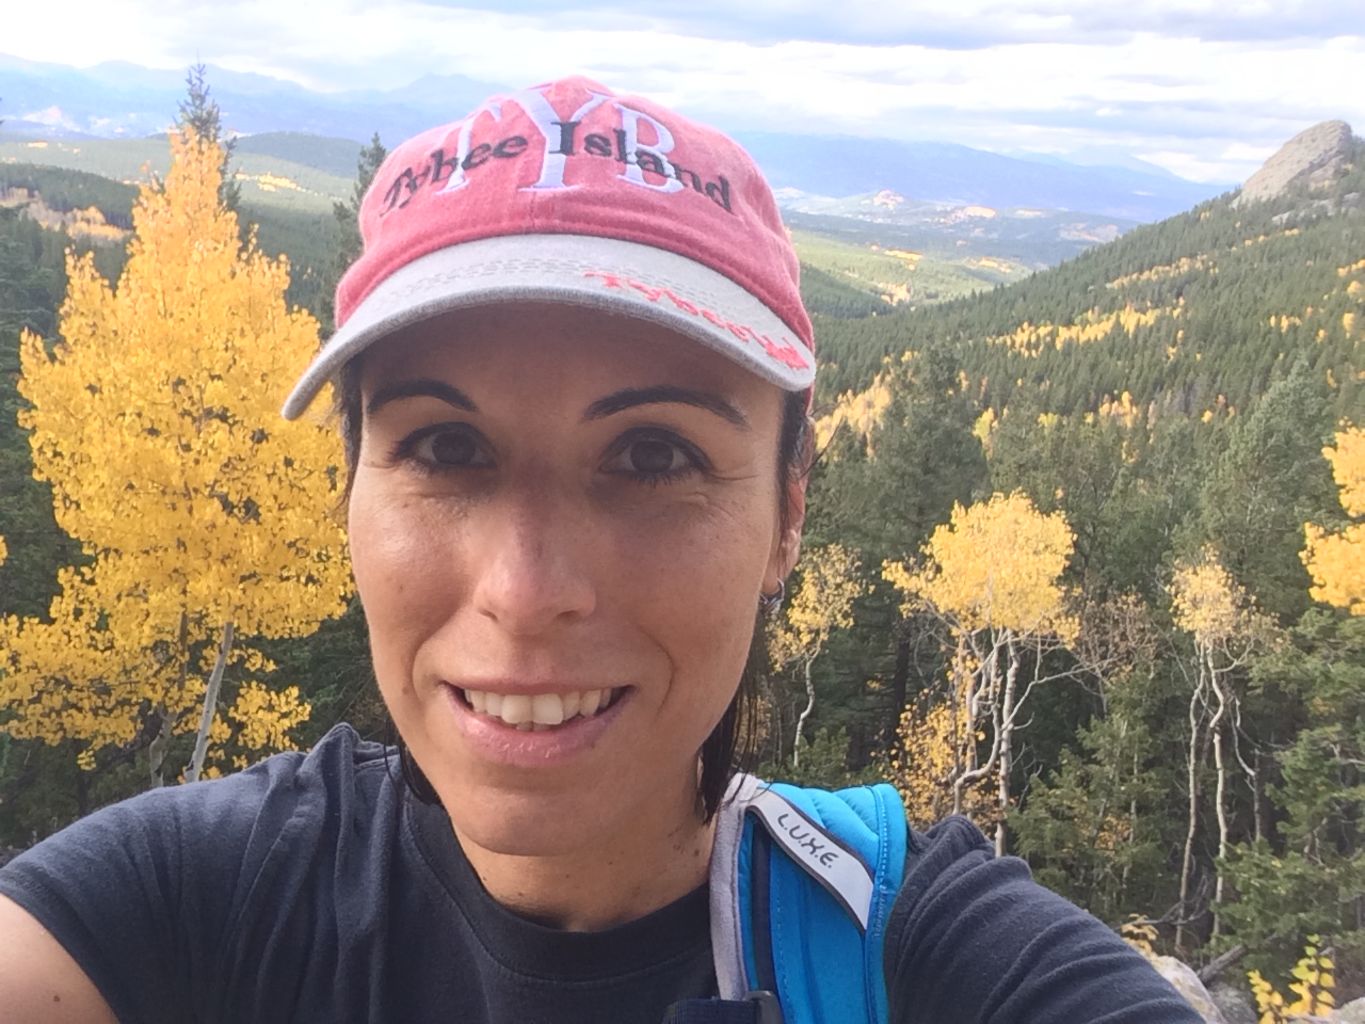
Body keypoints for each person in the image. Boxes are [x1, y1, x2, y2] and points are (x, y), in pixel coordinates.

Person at [0, 76, 1203, 1024]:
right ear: (350, 490)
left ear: (788, 513)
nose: (526, 592)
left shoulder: (913, 947)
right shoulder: (211, 896)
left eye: (651, 459)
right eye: (444, 447)